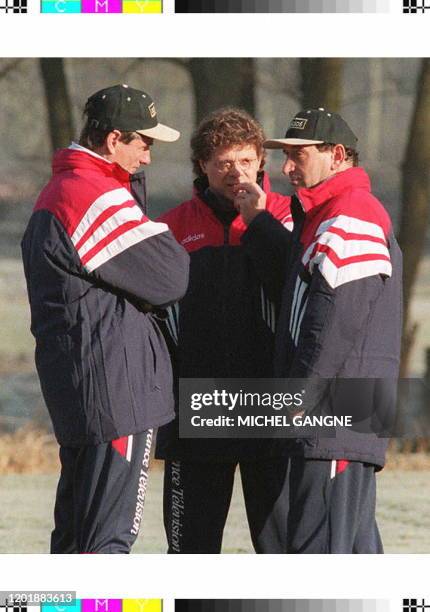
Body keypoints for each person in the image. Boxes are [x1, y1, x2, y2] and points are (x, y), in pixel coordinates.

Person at [21, 84, 190, 554]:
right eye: (145, 143)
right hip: (117, 390)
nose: (148, 158)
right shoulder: (92, 194)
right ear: (114, 140)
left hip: (86, 386)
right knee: (109, 539)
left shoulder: (61, 190)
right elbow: (171, 276)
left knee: (76, 537)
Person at [237, 108, 402, 553]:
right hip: (337, 410)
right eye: (285, 155)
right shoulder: (327, 214)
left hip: (334, 412)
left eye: (299, 155)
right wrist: (259, 223)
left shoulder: (352, 214)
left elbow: (335, 321)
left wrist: (299, 397)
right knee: (350, 551)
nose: (287, 167)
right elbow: (300, 286)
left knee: (321, 555)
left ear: (337, 155)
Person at [155, 107, 293, 554]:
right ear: (202, 166)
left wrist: (260, 225)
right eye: (223, 163)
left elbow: (299, 292)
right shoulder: (170, 227)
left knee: (285, 548)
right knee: (191, 550)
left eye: (246, 160)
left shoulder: (291, 217)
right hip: (197, 405)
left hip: (272, 406)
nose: (237, 173)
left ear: (261, 162)